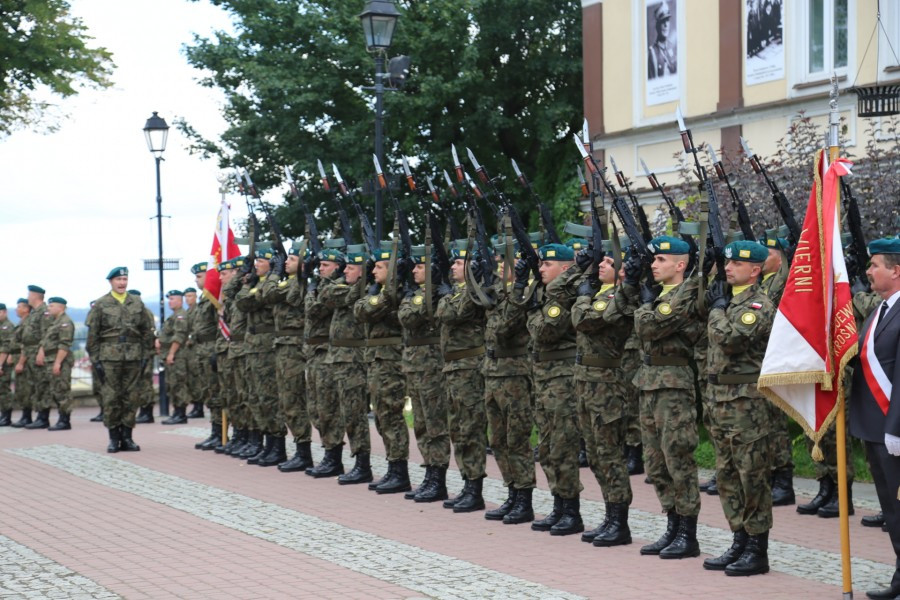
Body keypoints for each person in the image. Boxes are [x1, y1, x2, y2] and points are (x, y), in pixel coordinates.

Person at [627, 236, 704, 559]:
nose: (653, 265)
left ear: (680, 264)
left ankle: (688, 533)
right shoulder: (662, 295)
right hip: (649, 383)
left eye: (661, 260)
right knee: (656, 463)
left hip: (673, 385)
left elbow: (649, 328)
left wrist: (645, 305)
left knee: (678, 460)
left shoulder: (687, 294)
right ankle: (672, 525)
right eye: (653, 260)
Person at [702, 241, 776, 576]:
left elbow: (731, 340)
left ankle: (757, 550)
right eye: (727, 262)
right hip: (720, 401)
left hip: (747, 404)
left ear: (755, 270)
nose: (728, 267)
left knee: (752, 476)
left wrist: (716, 310)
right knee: (728, 475)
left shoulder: (758, 303)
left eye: (736, 264)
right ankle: (739, 540)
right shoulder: (730, 299)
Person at [573, 249, 635, 547]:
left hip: (607, 386)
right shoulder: (601, 293)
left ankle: (620, 522)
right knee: (596, 456)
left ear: (622, 271)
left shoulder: (620, 297)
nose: (601, 265)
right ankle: (610, 516)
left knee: (610, 456)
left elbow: (585, 321)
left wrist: (583, 295)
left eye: (609, 263)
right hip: (586, 384)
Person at [850, 238, 900, 600]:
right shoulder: (881, 310)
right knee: (892, 511)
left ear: (896, 271)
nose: (868, 272)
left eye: (875, 266)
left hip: (892, 429)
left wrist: (896, 428)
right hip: (874, 427)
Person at [524, 242, 583, 536]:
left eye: (548, 265)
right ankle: (559, 504)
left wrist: (533, 313)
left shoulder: (566, 294)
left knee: (563, 445)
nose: (542, 269)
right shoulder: (548, 294)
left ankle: (571, 510)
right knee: (547, 447)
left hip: (562, 378)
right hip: (544, 377)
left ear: (566, 268)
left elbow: (545, 331)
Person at [482, 238, 535, 523]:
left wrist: (517, 287)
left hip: (514, 374)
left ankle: (524, 498)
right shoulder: (497, 293)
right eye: (499, 260)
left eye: (506, 261)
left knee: (517, 439)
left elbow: (503, 328)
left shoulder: (523, 294)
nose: (500, 265)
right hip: (492, 372)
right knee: (498, 440)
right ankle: (512, 492)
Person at [354, 243, 411, 493]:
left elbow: (372, 309)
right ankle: (392, 466)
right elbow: (360, 310)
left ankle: (400, 470)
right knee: (382, 416)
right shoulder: (377, 289)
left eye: (379, 267)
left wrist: (383, 290)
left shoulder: (399, 292)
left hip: (391, 359)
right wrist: (377, 288)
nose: (373, 271)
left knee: (391, 414)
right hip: (376, 359)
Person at [436, 241, 488, 513]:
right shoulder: (458, 291)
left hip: (469, 368)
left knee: (471, 429)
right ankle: (467, 482)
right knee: (458, 429)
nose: (453, 267)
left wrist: (447, 297)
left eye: (459, 263)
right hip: (454, 369)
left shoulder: (474, 292)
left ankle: (475, 488)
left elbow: (450, 313)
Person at [397, 245, 451, 502]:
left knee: (435, 424)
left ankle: (438, 477)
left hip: (431, 366)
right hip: (414, 366)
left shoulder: (438, 294)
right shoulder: (416, 293)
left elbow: (412, 317)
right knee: (420, 423)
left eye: (421, 267)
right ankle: (429, 472)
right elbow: (404, 316)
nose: (415, 271)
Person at [86, 267, 155, 452]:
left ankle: (127, 438)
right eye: (118, 279)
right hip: (109, 358)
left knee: (131, 397)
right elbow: (92, 336)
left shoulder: (137, 303)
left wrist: (145, 356)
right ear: (111, 282)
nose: (122, 283)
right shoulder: (101, 304)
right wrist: (96, 361)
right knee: (111, 397)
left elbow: (147, 331)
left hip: (133, 356)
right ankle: (113, 437)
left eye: (125, 279)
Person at [314, 244, 367, 480]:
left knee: (354, 413)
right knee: (331, 411)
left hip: (353, 358)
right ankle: (333, 457)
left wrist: (356, 287)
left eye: (351, 268)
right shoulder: (338, 287)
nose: (346, 271)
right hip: (337, 358)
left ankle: (362, 464)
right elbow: (326, 296)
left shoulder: (366, 290)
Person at [262, 243, 314, 470]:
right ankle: (297, 449)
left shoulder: (299, 285)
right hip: (283, 345)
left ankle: (304, 452)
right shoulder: (289, 282)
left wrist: (273, 274)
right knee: (286, 400)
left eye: (291, 259)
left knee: (294, 400)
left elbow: (268, 293)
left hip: (293, 345)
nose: (285, 263)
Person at [236, 247, 286, 466]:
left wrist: (253, 285)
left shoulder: (273, 284)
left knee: (269, 398)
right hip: (253, 346)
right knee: (256, 397)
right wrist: (244, 279)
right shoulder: (257, 282)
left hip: (266, 347)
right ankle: (268, 443)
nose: (256, 264)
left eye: (261, 260)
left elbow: (248, 302)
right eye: (255, 260)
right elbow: (235, 298)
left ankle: (278, 446)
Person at [36, 297, 76, 431]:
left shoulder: (65, 322)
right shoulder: (54, 322)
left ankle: (65, 421)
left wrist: (57, 363)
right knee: (55, 390)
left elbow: (64, 345)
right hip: (51, 359)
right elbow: (46, 340)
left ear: (61, 307)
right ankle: (61, 419)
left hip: (60, 360)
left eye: (52, 306)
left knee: (62, 390)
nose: (49, 308)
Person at [18, 285, 52, 429]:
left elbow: (47, 334)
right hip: (30, 352)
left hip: (38, 352)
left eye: (29, 294)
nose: (27, 297)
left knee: (42, 385)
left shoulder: (44, 312)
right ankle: (37, 416)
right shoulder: (34, 313)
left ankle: (43, 418)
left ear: (35, 296)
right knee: (35, 386)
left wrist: (41, 351)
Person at [158, 290, 189, 425]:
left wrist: (171, 353)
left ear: (179, 300)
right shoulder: (174, 316)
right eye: (169, 299)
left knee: (178, 384)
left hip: (178, 355)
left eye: (172, 299)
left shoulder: (180, 316)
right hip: (171, 355)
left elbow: (179, 336)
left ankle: (180, 414)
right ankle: (176, 412)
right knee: (172, 384)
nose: (169, 302)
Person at [9, 299, 32, 427]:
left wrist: (21, 362)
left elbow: (25, 345)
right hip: (18, 357)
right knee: (20, 389)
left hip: (24, 359)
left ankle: (27, 416)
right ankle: (25, 416)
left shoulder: (28, 323)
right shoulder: (21, 322)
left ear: (26, 309)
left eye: (19, 307)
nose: (16, 309)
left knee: (25, 389)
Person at [647, 2, 676, 79]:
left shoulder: (672, 46)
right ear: (657, 26)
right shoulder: (652, 53)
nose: (666, 25)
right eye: (663, 21)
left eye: (667, 20)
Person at [0, 304, 14, 426]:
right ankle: (3, 414)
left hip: (4, 363)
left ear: (4, 312)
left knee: (4, 389)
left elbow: (6, 347)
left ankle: (6, 416)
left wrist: (0, 364)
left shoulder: (7, 327)